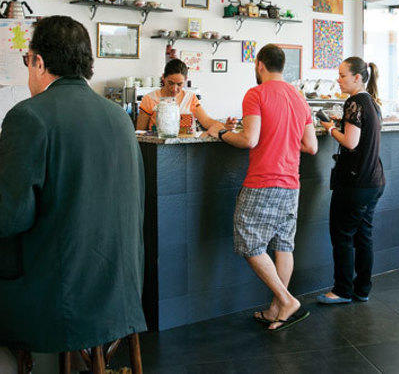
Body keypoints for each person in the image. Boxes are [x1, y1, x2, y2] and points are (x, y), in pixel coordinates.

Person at [0, 16, 146, 372]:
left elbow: (9, 217)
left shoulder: (29, 116)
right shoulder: (119, 118)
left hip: (53, 298)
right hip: (115, 294)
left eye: (27, 61)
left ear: (39, 62)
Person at [206, 44, 317, 332]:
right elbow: (311, 146)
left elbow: (249, 140)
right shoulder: (299, 96)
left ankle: (286, 299)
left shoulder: (256, 94)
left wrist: (219, 131)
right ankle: (276, 310)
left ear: (259, 65)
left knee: (248, 241)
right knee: (283, 244)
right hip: (291, 182)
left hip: (263, 181)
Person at [317, 58, 385, 305]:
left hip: (355, 183)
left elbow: (351, 142)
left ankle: (342, 290)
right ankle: (362, 289)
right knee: (363, 236)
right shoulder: (373, 103)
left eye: (343, 75)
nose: (338, 79)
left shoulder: (355, 102)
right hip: (374, 181)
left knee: (343, 235)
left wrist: (329, 128)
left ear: (358, 78)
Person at [136, 58, 218, 132]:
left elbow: (206, 121)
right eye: (170, 83)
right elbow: (140, 131)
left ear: (185, 80)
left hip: (187, 145)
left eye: (179, 84)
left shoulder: (190, 98)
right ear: (163, 77)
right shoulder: (150, 99)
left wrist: (224, 126)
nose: (174, 89)